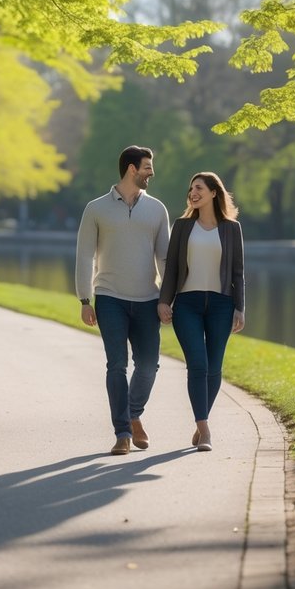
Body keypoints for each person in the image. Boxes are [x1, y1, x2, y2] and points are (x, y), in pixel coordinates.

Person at [76, 146, 171, 455]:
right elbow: (84, 255)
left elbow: (164, 258)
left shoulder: (157, 209)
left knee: (148, 365)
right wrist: (84, 299)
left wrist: (168, 298)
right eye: (147, 167)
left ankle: (133, 414)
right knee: (116, 365)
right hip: (109, 298)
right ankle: (122, 433)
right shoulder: (96, 208)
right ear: (132, 169)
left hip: (147, 299)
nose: (151, 173)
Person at [157, 172, 245, 453]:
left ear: (213, 193)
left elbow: (238, 273)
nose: (192, 193)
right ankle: (205, 428)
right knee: (198, 364)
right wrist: (164, 301)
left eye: (198, 188)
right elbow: (171, 268)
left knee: (214, 367)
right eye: (191, 188)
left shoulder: (232, 229)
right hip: (187, 305)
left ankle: (199, 422)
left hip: (222, 304)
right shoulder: (183, 226)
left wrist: (240, 308)